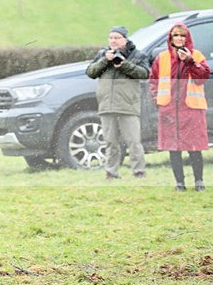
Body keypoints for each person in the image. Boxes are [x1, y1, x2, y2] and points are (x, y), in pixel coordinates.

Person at [149, 22, 210, 191]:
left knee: (194, 147)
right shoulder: (162, 58)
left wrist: (189, 61)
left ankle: (199, 182)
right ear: (170, 38)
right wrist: (157, 100)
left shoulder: (196, 55)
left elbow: (202, 77)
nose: (179, 38)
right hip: (169, 110)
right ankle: (180, 183)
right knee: (173, 149)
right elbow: (153, 80)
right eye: (176, 35)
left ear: (187, 38)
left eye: (182, 35)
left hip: (191, 110)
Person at [85, 26, 150, 180]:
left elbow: (145, 74)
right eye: (111, 38)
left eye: (117, 38)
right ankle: (111, 173)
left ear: (125, 39)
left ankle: (139, 172)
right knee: (110, 142)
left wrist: (124, 65)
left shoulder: (137, 55)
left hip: (128, 106)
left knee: (134, 142)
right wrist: (104, 60)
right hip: (106, 106)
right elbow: (91, 72)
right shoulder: (103, 54)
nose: (113, 40)